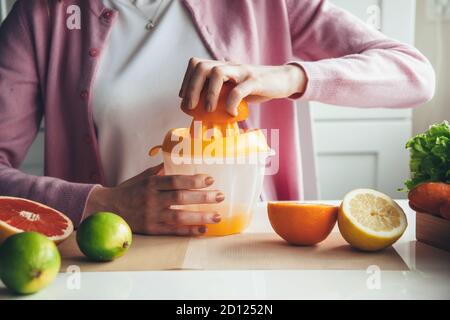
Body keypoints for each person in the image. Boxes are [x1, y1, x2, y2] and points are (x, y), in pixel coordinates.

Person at [0, 0, 435, 235]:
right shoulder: (42, 15)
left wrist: (287, 76)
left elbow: (413, 75)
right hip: (111, 257)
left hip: (253, 250)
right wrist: (101, 204)